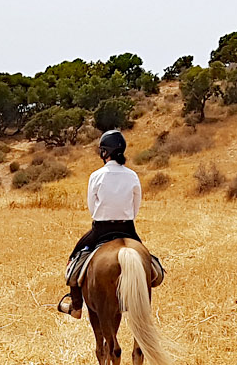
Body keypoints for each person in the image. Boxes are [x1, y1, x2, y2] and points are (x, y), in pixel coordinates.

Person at [57, 130, 162, 318]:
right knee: (152, 265)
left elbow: (91, 207)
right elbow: (136, 205)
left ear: (104, 152)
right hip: (128, 228)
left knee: (73, 262)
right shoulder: (132, 175)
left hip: (101, 229)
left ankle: (76, 306)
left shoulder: (96, 176)